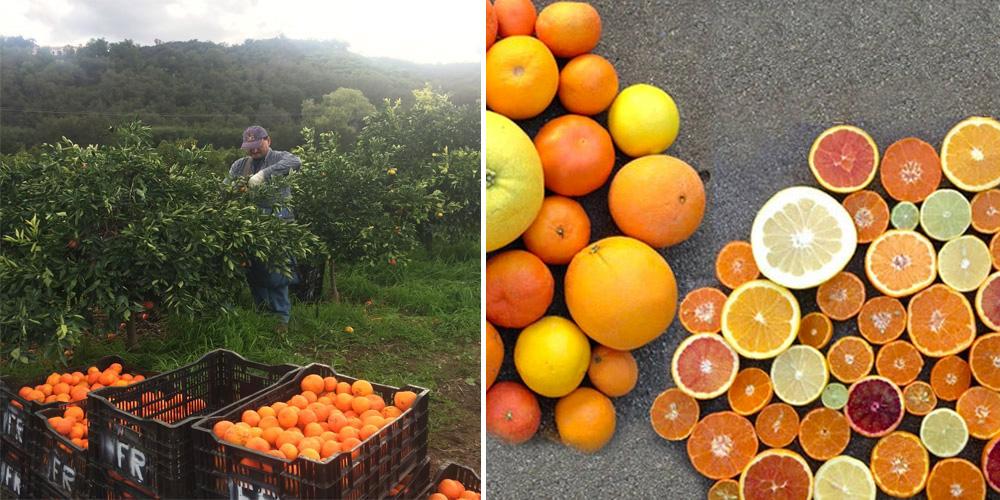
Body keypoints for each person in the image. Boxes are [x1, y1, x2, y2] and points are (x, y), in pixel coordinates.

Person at [229, 125, 301, 331]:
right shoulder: (240, 165)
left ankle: (281, 319)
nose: (253, 150)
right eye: (249, 146)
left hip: (278, 225)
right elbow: (227, 186)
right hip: (250, 227)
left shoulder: (280, 158)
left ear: (268, 140)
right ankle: (262, 313)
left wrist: (263, 175)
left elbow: (296, 162)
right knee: (254, 271)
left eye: (257, 145)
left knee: (277, 272)